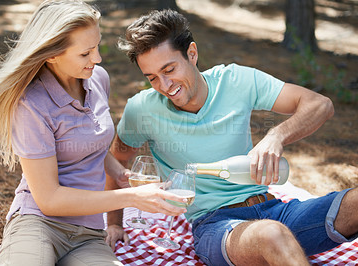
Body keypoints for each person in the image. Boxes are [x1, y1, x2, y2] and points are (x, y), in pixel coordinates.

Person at [108, 9, 358, 266]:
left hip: (276, 210)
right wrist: (115, 223)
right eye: (152, 78)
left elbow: (320, 104)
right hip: (217, 226)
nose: (165, 85)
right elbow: (116, 162)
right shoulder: (142, 109)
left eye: (169, 69)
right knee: (271, 234)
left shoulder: (236, 80)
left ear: (192, 54)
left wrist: (276, 136)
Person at [0, 2, 187, 265]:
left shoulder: (98, 78)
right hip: (39, 223)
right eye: (85, 53)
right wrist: (132, 196)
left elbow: (91, 145)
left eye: (97, 47)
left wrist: (122, 175)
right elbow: (50, 201)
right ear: (52, 54)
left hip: (89, 232)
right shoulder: (31, 104)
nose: (97, 59)